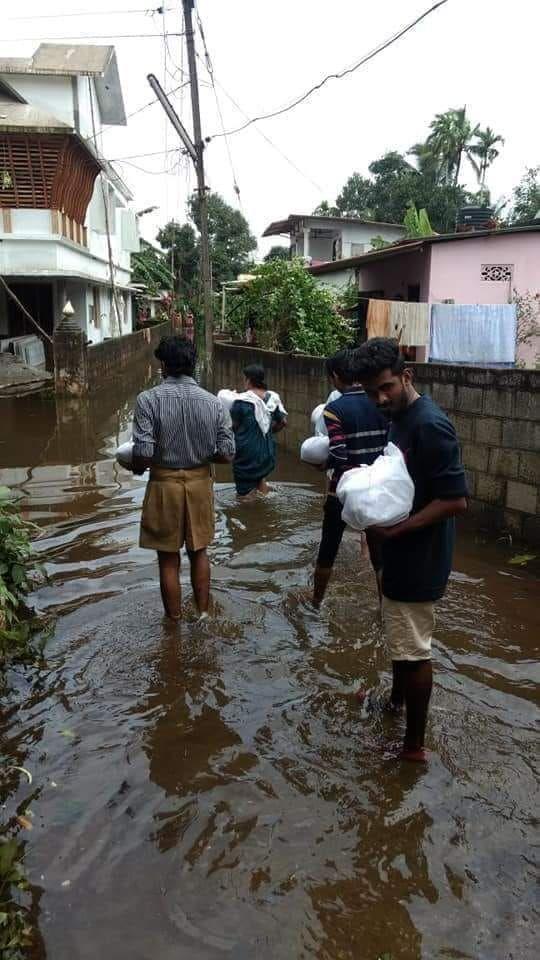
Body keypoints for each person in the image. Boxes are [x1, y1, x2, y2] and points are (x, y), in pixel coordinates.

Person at [354, 337, 468, 762]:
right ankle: (396, 702)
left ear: (407, 376)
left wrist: (399, 529)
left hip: (419, 554)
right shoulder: (400, 417)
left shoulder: (429, 424)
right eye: (371, 392)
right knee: (400, 638)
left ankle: (413, 748)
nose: (380, 399)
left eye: (387, 387)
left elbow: (455, 500)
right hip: (400, 549)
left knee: (415, 649)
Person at [131, 335, 235, 621]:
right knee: (199, 551)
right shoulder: (214, 403)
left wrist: (138, 467)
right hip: (201, 484)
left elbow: (142, 452)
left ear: (163, 365)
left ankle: (174, 624)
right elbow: (227, 454)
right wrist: (201, 457)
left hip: (164, 485)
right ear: (193, 364)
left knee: (168, 559)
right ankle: (203, 614)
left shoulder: (147, 400)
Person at [313, 349, 388, 608]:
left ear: (335, 376)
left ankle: (315, 603)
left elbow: (339, 454)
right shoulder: (379, 402)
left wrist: (323, 464)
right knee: (379, 555)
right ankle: (384, 612)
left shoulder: (334, 409)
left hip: (342, 491)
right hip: (377, 487)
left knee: (327, 552)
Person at [230, 364, 287, 500]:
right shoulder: (272, 398)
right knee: (261, 479)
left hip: (246, 454)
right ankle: (264, 514)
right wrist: (268, 432)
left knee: (243, 497)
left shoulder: (241, 402)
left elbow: (232, 426)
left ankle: (250, 519)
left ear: (248, 380)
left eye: (244, 379)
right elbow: (283, 422)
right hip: (266, 452)